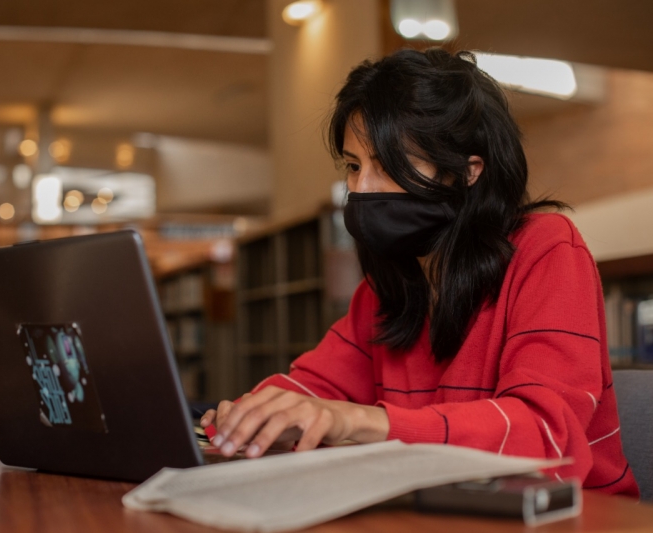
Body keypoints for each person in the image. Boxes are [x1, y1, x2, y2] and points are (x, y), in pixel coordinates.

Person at [201, 48, 639, 497]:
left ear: (467, 172)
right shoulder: (390, 282)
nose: (361, 190)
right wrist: (254, 413)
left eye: (388, 166)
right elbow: (310, 387)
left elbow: (547, 437)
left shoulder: (547, 249)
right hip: (442, 511)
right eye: (353, 167)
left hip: (574, 517)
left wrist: (360, 420)